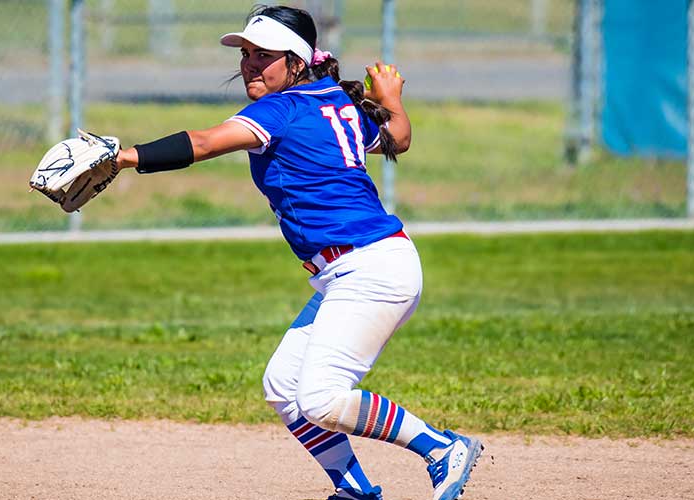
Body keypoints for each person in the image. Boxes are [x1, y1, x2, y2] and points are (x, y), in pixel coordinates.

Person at [112, 5, 482, 500]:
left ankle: (441, 448)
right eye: (246, 54)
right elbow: (398, 137)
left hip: (370, 267)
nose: (250, 65)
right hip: (358, 268)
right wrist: (392, 103)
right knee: (284, 387)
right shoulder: (334, 101)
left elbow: (202, 143)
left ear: (296, 62)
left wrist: (123, 157)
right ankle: (354, 491)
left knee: (322, 399)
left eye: (264, 55)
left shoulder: (280, 109)